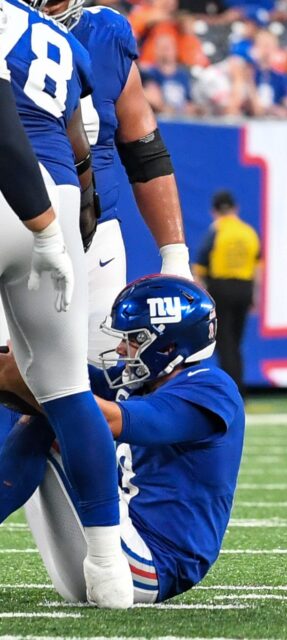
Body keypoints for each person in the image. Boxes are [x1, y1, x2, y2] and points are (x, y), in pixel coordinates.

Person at [0, 0, 133, 608]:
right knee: (67, 389)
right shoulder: (60, 38)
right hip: (56, 193)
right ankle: (108, 568)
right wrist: (64, 225)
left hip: (17, 188)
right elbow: (83, 147)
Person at [0, 276, 244, 604]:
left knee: (52, 418)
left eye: (132, 339)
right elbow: (69, 381)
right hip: (114, 548)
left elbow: (108, 419)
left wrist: (31, 378)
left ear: (168, 345)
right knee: (28, 402)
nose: (120, 348)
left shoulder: (210, 388)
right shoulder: (144, 381)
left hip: (152, 562)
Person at [31, 0, 194, 364]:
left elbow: (145, 151)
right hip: (18, 228)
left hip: (95, 234)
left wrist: (175, 255)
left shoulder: (105, 33)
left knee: (101, 374)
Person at [193, 191, 261, 393]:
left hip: (220, 289)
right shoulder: (248, 232)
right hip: (245, 288)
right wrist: (255, 295)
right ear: (235, 209)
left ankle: (231, 390)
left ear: (214, 211)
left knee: (224, 344)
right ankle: (239, 388)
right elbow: (258, 266)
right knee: (237, 343)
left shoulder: (216, 231)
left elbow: (199, 269)